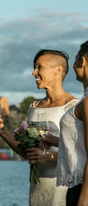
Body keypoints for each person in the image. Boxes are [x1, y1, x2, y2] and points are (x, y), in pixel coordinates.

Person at [0, 49, 78, 206]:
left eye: (39, 67)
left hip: (63, 191)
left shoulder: (73, 107)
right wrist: (3, 132)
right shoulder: (34, 107)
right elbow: (27, 152)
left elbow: (80, 153)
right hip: (36, 190)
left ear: (57, 71)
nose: (33, 73)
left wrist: (48, 158)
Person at [42, 41, 88, 206]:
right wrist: (56, 141)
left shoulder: (87, 103)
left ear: (81, 61)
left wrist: (84, 198)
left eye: (75, 59)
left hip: (82, 188)